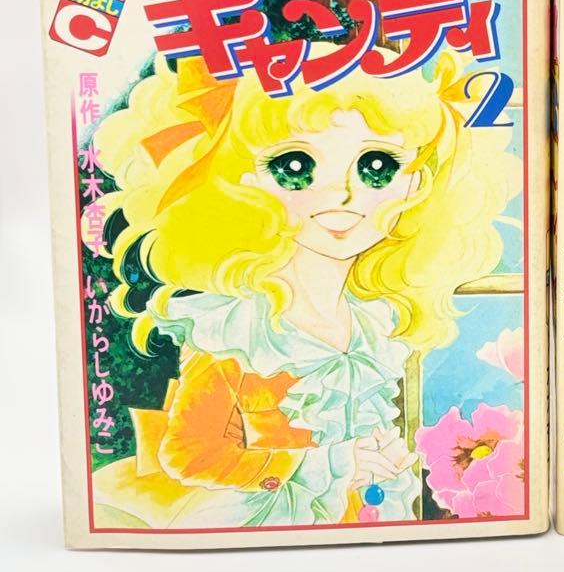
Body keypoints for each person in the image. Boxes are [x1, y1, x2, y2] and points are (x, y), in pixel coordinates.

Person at [88, 49, 517, 529]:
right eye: (295, 166)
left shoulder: (372, 322)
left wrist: (380, 455)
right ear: (242, 182)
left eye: (377, 166)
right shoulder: (239, 327)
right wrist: (330, 464)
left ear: (415, 183)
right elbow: (190, 454)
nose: (342, 195)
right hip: (261, 523)